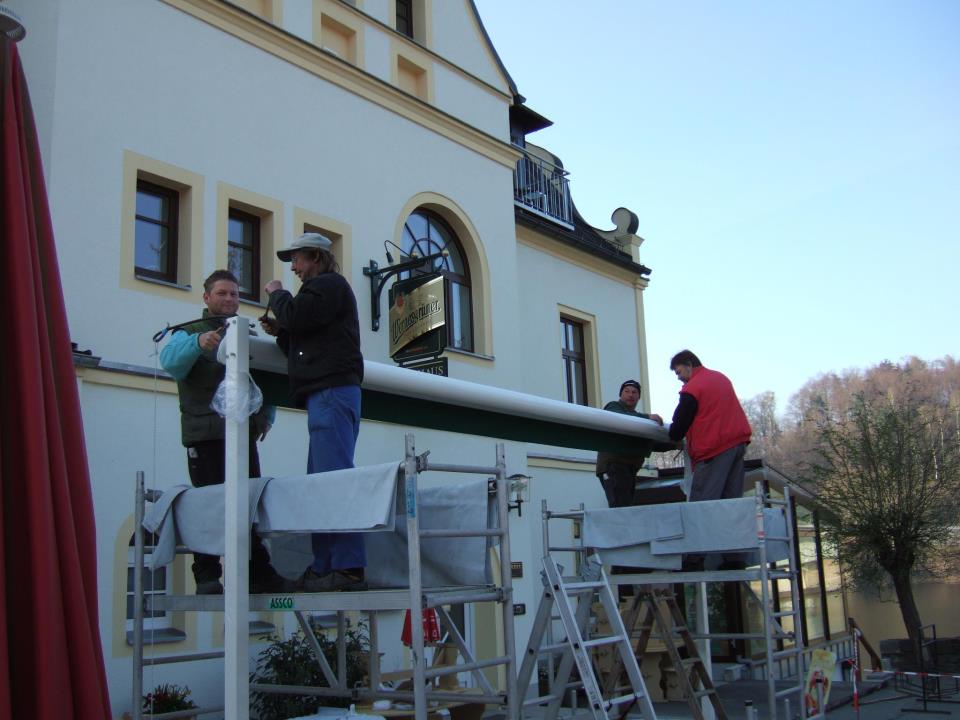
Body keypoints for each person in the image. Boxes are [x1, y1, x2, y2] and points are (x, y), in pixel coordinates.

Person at [160, 269, 288, 595]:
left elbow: (268, 379)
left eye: (233, 294)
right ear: (206, 298)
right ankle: (206, 577)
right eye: (222, 293)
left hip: (242, 435)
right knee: (208, 505)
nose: (230, 299)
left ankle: (256, 573)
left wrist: (267, 417)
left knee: (248, 505)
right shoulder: (188, 331)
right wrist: (197, 343)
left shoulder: (247, 334)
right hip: (204, 435)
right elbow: (170, 362)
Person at [261, 232, 365, 592]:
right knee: (319, 484)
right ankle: (325, 568)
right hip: (326, 394)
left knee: (331, 482)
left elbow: (299, 315)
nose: (294, 268)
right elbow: (303, 331)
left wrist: (276, 295)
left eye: (298, 260)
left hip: (331, 393)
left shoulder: (329, 286)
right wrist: (281, 331)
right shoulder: (324, 294)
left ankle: (348, 567)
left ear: (316, 259)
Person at [668, 350, 752, 571]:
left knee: (702, 504)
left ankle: (694, 558)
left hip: (713, 450)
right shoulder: (721, 378)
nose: (679, 378)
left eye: (678, 372)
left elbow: (678, 425)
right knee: (730, 504)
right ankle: (735, 558)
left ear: (688, 364)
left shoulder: (694, 388)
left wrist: (673, 436)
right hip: (737, 445)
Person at [595, 380, 664, 508]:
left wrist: (673, 443)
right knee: (621, 508)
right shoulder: (613, 406)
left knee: (625, 506)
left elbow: (650, 442)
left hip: (627, 468)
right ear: (620, 394)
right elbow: (620, 417)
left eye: (634, 392)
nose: (630, 395)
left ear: (639, 396)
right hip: (614, 466)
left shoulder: (638, 420)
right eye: (626, 391)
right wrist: (647, 417)